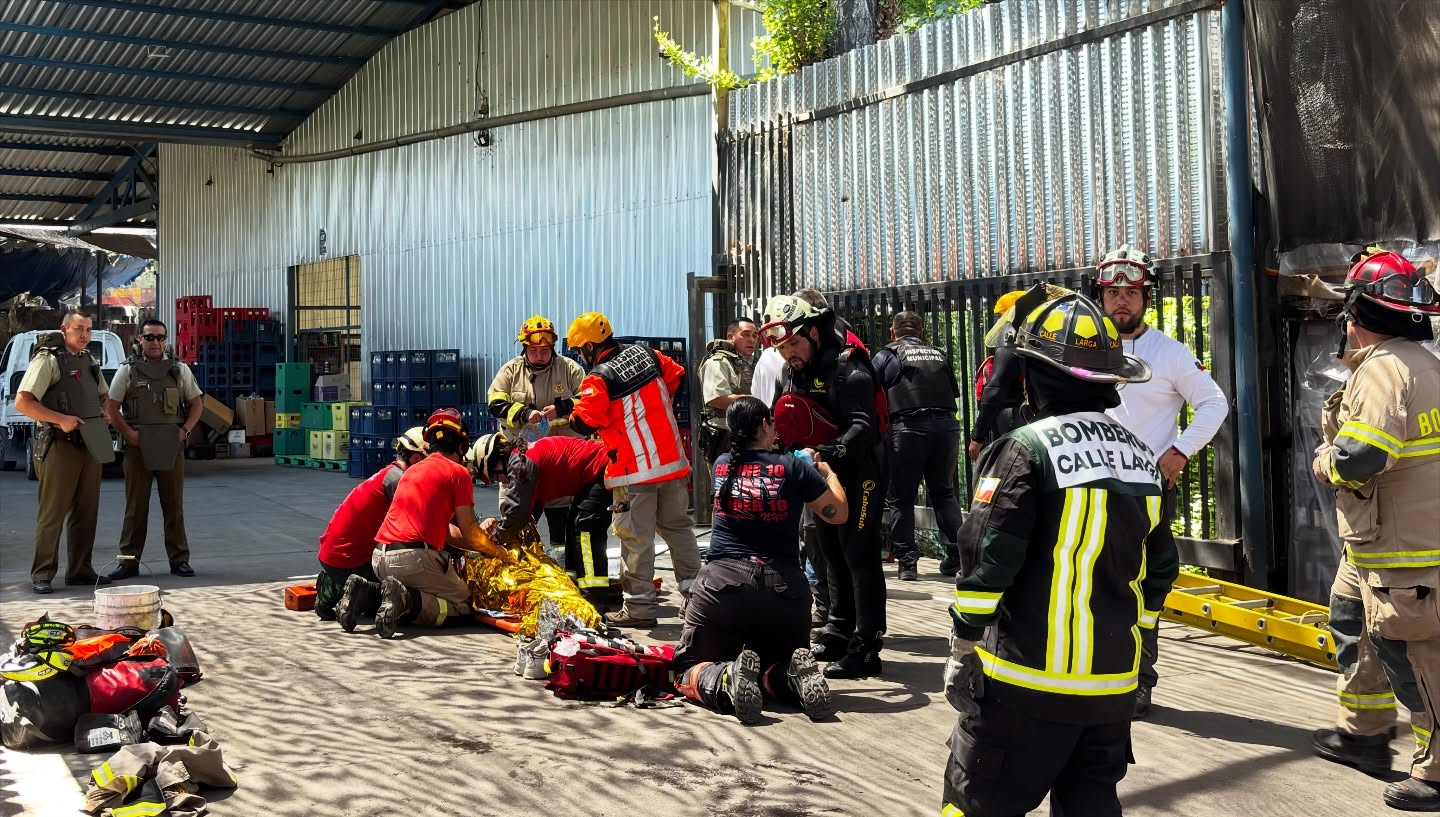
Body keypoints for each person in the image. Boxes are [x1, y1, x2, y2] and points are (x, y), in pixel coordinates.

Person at [941, 292, 1178, 817]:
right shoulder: (1143, 460)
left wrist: (963, 645)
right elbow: (1159, 571)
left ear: (1034, 374)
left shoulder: (1025, 448)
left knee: (974, 802)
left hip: (1021, 690)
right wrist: (1139, 654)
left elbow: (988, 558)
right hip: (1111, 692)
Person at [1306, 247, 1440, 812]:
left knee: (1412, 653)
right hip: (1373, 540)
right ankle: (1362, 734)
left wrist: (1324, 461)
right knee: (1351, 619)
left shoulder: (1385, 368)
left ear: (1357, 312)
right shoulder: (1422, 361)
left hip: (1404, 547)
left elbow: (1362, 456)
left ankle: (1436, 773)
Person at [1094, 244, 1228, 718]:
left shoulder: (1169, 354)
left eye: (1131, 292)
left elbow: (1214, 404)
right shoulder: (1086, 346)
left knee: (1144, 588)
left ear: (1146, 298)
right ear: (1100, 296)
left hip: (1145, 493)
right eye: (1113, 292)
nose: (1121, 301)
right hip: (1086, 489)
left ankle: (1138, 680)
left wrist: (1179, 452)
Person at [673, 397, 847, 723]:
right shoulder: (795, 468)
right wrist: (827, 473)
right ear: (766, 425)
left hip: (723, 590)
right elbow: (837, 513)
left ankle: (725, 679)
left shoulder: (723, 464)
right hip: (786, 594)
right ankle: (790, 679)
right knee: (774, 663)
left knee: (686, 667)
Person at [760, 294, 887, 679]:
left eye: (794, 344)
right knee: (829, 550)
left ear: (813, 332)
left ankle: (867, 646)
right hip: (824, 470)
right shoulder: (794, 371)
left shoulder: (849, 367)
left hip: (863, 470)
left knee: (859, 554)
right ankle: (838, 631)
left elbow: (863, 427)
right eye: (781, 349)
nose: (789, 355)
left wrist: (825, 451)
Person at [563, 312, 702, 628]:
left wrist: (571, 415)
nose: (579, 356)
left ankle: (639, 609)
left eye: (578, 350)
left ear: (588, 346)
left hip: (634, 471)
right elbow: (676, 376)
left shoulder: (598, 378)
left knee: (636, 539)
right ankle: (697, 602)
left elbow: (584, 421)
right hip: (672, 462)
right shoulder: (647, 354)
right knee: (679, 530)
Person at [368, 408, 507, 638]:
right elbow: (470, 531)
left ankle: (368, 591)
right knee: (462, 604)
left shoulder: (413, 471)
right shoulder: (457, 473)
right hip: (413, 559)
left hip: (380, 559)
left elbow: (449, 532)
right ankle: (407, 600)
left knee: (418, 582)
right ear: (462, 445)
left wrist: (479, 546)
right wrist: (497, 552)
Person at [16, 312, 113, 594]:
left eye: (89, 330)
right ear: (64, 329)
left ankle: (80, 570)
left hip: (90, 443)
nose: (84, 334)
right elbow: (24, 402)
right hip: (59, 444)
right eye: (78, 329)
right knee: (53, 512)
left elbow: (104, 395)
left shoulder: (88, 360)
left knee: (87, 511)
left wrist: (105, 413)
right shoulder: (48, 360)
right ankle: (42, 574)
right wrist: (60, 419)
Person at [103, 320, 204, 581]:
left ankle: (179, 559)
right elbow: (111, 408)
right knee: (135, 507)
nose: (156, 343)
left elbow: (196, 404)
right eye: (150, 338)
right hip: (138, 447)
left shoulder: (179, 370)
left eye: (160, 337)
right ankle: (128, 562)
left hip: (171, 444)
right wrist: (130, 435)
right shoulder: (127, 371)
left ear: (166, 339)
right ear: (140, 340)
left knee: (174, 506)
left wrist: (185, 432)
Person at [470, 431, 614, 608]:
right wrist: (504, 528)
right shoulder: (522, 459)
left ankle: (594, 600)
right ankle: (575, 591)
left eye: (493, 475)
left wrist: (496, 538)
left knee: (585, 532)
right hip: (594, 473)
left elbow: (517, 513)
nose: (500, 481)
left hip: (600, 468)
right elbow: (528, 513)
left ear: (494, 460)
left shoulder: (521, 464)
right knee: (573, 529)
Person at [871, 310, 963, 581]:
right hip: (946, 427)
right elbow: (952, 391)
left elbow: (872, 392)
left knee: (901, 497)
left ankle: (907, 563)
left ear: (892, 332)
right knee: (944, 493)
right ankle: (957, 556)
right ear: (921, 332)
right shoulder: (939, 354)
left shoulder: (887, 355)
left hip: (908, 429)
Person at [487, 315, 587, 553]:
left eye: (545, 349)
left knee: (561, 526)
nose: (539, 355)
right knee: (516, 520)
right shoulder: (511, 371)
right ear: (525, 348)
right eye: (533, 350)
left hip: (559, 465)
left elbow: (589, 398)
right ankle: (519, 570)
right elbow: (495, 402)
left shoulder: (570, 369)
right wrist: (523, 413)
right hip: (521, 463)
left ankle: (562, 571)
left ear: (552, 347)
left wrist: (562, 408)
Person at [322, 427, 428, 628]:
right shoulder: (400, 481)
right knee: (401, 595)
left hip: (331, 556)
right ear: (416, 459)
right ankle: (360, 595)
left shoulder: (389, 474)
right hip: (350, 561)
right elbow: (420, 527)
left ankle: (330, 590)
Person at [697, 318, 758, 471]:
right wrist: (757, 400)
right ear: (731, 337)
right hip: (724, 438)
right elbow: (717, 399)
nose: (751, 340)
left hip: (748, 436)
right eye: (746, 334)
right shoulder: (718, 362)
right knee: (725, 489)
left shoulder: (750, 362)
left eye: (755, 336)